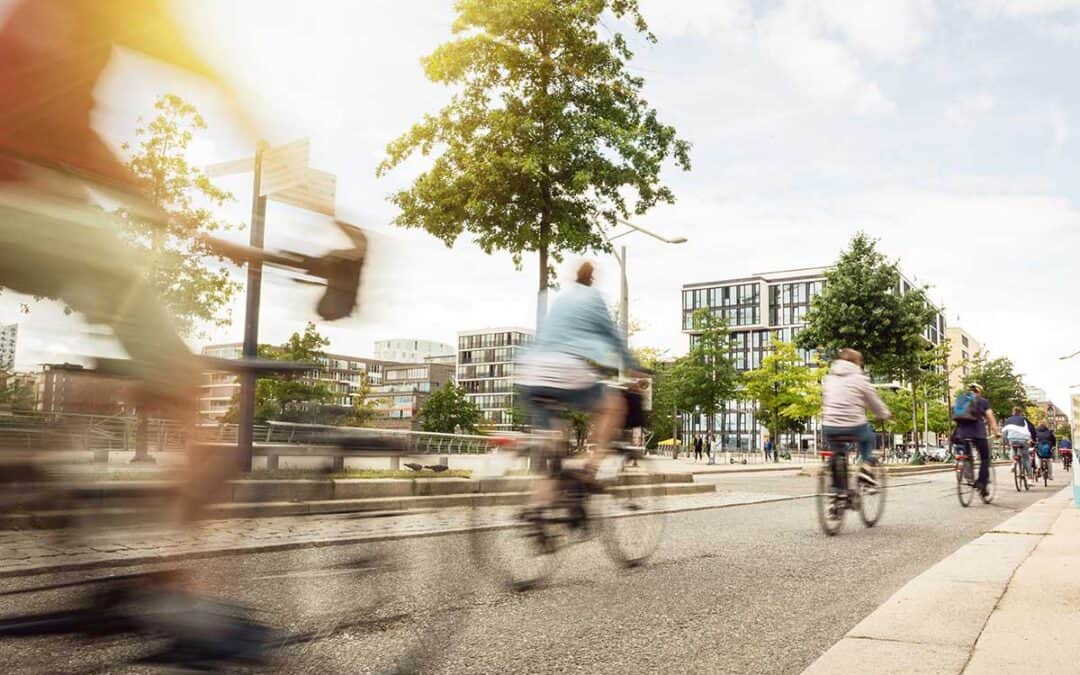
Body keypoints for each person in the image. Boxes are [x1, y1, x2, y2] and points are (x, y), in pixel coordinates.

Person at [517, 261, 639, 503]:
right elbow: (611, 335)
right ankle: (590, 467)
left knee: (552, 446)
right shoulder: (592, 298)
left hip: (531, 371)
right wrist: (632, 366)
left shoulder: (562, 298)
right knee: (613, 405)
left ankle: (538, 512)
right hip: (565, 369)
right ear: (592, 278)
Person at [821, 348, 892, 490]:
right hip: (854, 425)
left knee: (837, 453)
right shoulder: (860, 379)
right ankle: (865, 468)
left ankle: (837, 494)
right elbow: (874, 402)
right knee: (869, 436)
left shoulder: (828, 378)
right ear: (856, 363)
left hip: (829, 426)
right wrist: (885, 414)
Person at [952, 383, 1000, 497]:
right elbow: (990, 417)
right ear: (979, 391)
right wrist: (996, 431)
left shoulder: (961, 400)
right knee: (985, 457)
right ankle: (981, 483)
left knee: (967, 456)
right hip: (977, 433)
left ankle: (969, 477)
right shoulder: (982, 401)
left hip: (961, 433)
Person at [1001, 407, 1035, 479]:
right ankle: (1030, 478)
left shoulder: (1008, 420)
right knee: (1026, 458)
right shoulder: (1024, 419)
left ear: (1013, 412)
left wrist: (1006, 442)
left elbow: (1004, 433)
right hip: (1023, 440)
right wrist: (1033, 440)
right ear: (1020, 413)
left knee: (1012, 449)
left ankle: (1014, 463)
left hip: (1012, 439)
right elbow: (1032, 429)